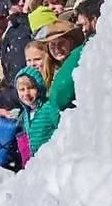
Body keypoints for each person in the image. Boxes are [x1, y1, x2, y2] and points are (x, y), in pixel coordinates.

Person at [27, 21, 86, 154]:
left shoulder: (80, 63)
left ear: (71, 42)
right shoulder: (49, 70)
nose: (57, 48)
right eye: (52, 45)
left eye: (61, 43)